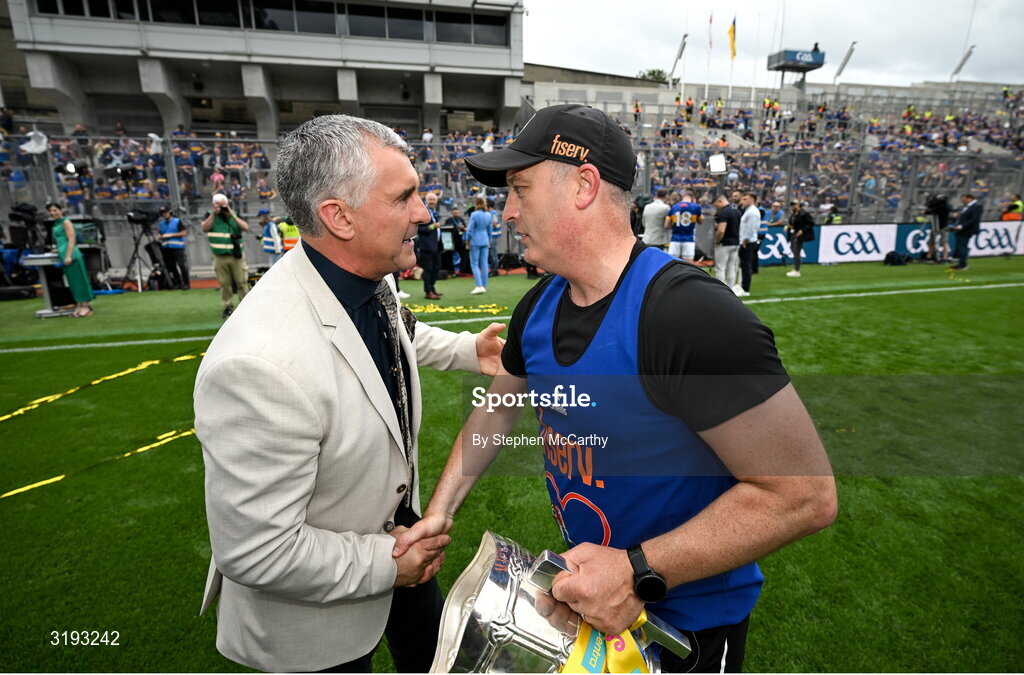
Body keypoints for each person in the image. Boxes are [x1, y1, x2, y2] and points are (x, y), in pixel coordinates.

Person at [397, 103, 837, 673]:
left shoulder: (688, 314)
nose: (507, 211)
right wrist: (439, 512)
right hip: (590, 605)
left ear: (584, 186)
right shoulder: (538, 305)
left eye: (521, 189)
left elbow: (804, 496)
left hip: (685, 630)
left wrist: (636, 569)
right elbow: (496, 411)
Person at [194, 114, 506, 674]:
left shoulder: (362, 271)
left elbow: (393, 329)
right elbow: (258, 551)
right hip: (319, 609)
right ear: (339, 217)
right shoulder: (258, 366)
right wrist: (391, 564)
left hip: (398, 540)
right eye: (404, 197)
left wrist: (467, 351)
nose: (424, 213)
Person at [201, 193, 249, 318]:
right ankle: (227, 307)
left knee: (242, 281)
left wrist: (232, 215)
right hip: (219, 256)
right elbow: (204, 228)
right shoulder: (209, 215)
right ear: (213, 205)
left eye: (224, 205)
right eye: (219, 206)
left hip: (236, 255)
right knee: (224, 283)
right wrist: (213, 214)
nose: (222, 208)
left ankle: (245, 306)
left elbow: (245, 227)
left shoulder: (234, 214)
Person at [46, 202, 94, 317]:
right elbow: (61, 240)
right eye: (50, 211)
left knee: (79, 281)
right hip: (64, 254)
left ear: (61, 210)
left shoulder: (66, 222)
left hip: (72, 255)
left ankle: (86, 306)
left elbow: (72, 239)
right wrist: (58, 250)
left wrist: (68, 255)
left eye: (55, 210)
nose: (52, 213)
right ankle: (79, 305)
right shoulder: (56, 224)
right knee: (73, 282)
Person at [417, 192, 443, 299]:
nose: (432, 202)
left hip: (436, 245)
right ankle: (428, 292)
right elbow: (418, 229)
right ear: (426, 201)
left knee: (436, 268)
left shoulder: (434, 212)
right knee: (428, 269)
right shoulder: (423, 212)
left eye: (434, 200)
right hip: (426, 246)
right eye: (430, 200)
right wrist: (432, 227)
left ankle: (432, 288)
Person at [157, 206, 189, 289]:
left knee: (181, 265)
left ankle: (186, 283)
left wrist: (171, 235)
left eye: (165, 212)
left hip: (177, 247)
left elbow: (184, 232)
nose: (164, 214)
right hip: (166, 247)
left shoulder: (177, 221)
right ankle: (178, 282)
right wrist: (160, 236)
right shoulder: (161, 224)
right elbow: (160, 234)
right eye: (162, 213)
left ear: (169, 212)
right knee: (172, 266)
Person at [713, 194, 741, 291]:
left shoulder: (723, 213)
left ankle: (721, 290)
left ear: (720, 201)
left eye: (716, 205)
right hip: (735, 242)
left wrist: (717, 241)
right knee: (731, 267)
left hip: (724, 243)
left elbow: (721, 230)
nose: (716, 207)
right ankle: (730, 289)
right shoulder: (737, 211)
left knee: (720, 268)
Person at [665, 189, 701, 262]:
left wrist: (674, 226)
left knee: (672, 264)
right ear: (693, 198)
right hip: (689, 239)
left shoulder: (674, 207)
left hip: (675, 239)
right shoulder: (696, 207)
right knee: (688, 264)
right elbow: (700, 221)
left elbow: (666, 225)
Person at [466, 196, 492, 294]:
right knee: (484, 263)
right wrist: (489, 239)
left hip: (475, 241)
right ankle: (484, 285)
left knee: (474, 264)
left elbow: (470, 229)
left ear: (476, 204)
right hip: (485, 240)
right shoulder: (488, 215)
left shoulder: (474, 214)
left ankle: (479, 285)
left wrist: (467, 239)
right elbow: (490, 230)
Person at [950, 193, 982, 271]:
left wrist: (962, 226)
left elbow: (973, 219)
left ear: (969, 198)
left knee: (962, 247)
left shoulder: (976, 206)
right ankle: (961, 262)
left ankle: (963, 264)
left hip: (967, 229)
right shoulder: (968, 206)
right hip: (962, 229)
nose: (963, 202)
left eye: (963, 200)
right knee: (961, 246)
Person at [736, 192, 760, 297]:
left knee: (746, 265)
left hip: (748, 242)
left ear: (752, 200)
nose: (743, 201)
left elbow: (751, 228)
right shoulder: (749, 211)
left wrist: (745, 240)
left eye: (745, 199)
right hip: (745, 241)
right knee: (743, 265)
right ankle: (741, 285)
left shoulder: (753, 212)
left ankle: (745, 289)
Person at [785, 201, 815, 278]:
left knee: (796, 251)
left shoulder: (804, 214)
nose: (793, 206)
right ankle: (795, 267)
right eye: (792, 205)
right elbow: (792, 223)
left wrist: (802, 230)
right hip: (793, 233)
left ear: (798, 205)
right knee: (793, 250)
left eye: (794, 205)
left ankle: (797, 270)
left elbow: (811, 223)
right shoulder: (793, 214)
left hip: (800, 234)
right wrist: (788, 227)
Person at [442, 206, 470, 276]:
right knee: (449, 256)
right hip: (451, 240)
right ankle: (450, 271)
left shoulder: (461, 219)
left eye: (457, 212)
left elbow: (465, 228)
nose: (456, 213)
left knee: (465, 253)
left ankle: (463, 270)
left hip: (460, 240)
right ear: (452, 213)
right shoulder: (449, 220)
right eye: (454, 212)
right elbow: (446, 229)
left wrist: (463, 228)